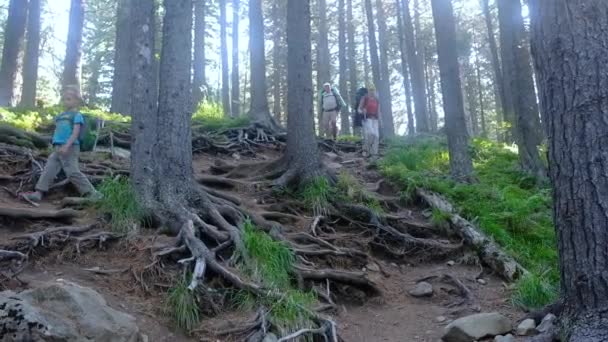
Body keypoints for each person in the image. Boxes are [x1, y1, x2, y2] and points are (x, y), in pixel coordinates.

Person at [21, 86, 101, 203]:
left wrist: (67, 145)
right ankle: (38, 193)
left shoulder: (76, 115)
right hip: (58, 148)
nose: (66, 101)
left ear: (77, 101)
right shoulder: (60, 116)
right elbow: (58, 131)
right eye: (64, 99)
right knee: (49, 168)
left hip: (70, 147)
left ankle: (93, 194)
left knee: (72, 171)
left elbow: (75, 133)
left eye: (69, 99)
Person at [359, 85, 380, 159]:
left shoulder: (376, 99)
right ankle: (366, 150)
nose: (372, 91)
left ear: (375, 90)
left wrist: (380, 119)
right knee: (371, 134)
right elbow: (359, 109)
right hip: (367, 119)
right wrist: (363, 111)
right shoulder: (365, 98)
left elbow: (378, 110)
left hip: (375, 120)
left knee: (377, 136)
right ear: (368, 91)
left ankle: (374, 154)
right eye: (370, 90)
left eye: (373, 90)